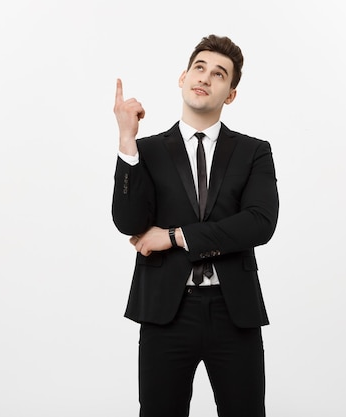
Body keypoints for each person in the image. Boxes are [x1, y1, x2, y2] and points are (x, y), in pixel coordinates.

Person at [111, 34, 279, 417]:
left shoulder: (254, 152)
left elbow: (259, 223)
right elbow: (129, 222)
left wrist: (174, 236)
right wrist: (126, 142)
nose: (205, 77)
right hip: (166, 311)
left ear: (230, 94)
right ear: (183, 77)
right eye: (199, 68)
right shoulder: (148, 150)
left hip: (233, 309)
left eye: (219, 74)